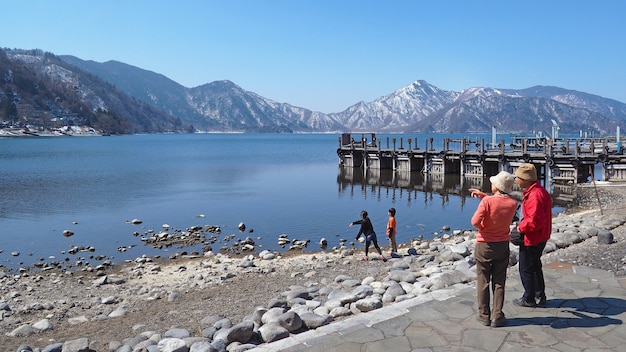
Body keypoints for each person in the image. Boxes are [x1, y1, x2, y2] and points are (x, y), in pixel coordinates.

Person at [469, 171, 519, 327]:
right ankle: (498, 315)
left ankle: (484, 315)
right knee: (499, 281)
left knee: (483, 280)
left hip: (485, 244)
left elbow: (475, 221)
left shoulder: (487, 202)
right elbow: (499, 205)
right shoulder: (513, 203)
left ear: (496, 186)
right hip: (502, 244)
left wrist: (483, 227)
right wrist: (484, 196)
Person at [513, 163, 552, 308]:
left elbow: (535, 221)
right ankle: (539, 295)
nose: (516, 179)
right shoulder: (539, 191)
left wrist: (520, 228)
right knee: (535, 266)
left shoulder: (534, 195)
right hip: (541, 236)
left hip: (533, 237)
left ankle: (528, 298)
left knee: (526, 269)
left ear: (526, 179)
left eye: (518, 177)